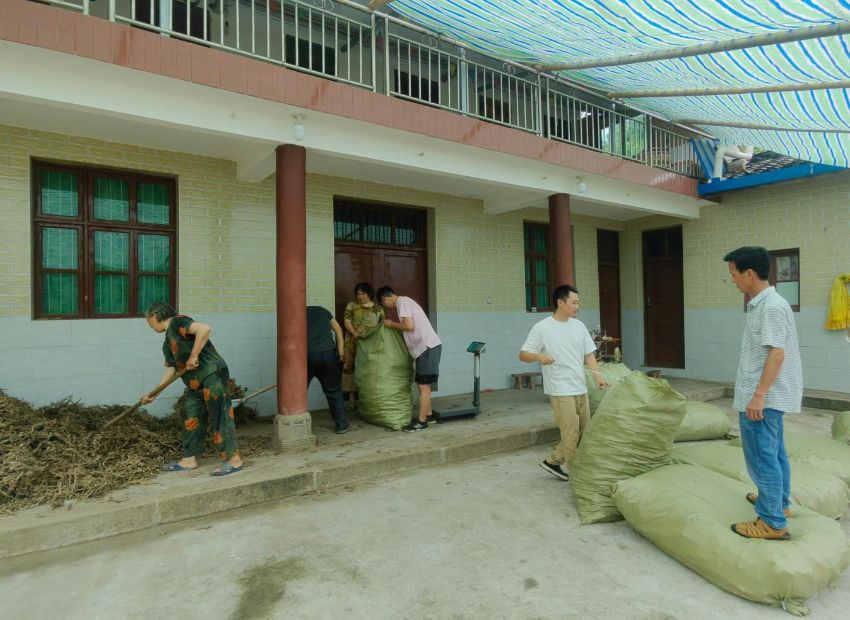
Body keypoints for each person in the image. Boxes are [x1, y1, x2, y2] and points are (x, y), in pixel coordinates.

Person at [725, 246, 802, 540]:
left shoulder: (769, 306)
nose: (732, 280)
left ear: (749, 273)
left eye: (733, 274)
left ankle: (771, 522)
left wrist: (758, 396)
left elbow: (777, 355)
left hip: (762, 399)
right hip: (767, 396)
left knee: (762, 458)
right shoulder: (766, 302)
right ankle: (778, 505)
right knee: (775, 453)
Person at [142, 301, 243, 476]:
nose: (149, 325)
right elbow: (172, 369)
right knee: (189, 412)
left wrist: (194, 355)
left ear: (155, 316)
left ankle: (234, 460)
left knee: (219, 415)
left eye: (148, 321)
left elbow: (204, 329)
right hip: (195, 383)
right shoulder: (167, 344)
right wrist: (154, 394)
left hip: (212, 375)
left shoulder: (178, 322)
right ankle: (189, 459)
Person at [519, 284, 607, 481]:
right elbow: (523, 355)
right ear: (561, 302)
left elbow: (589, 355)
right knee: (570, 433)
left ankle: (552, 461)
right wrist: (540, 357)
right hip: (560, 389)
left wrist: (598, 378)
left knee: (584, 430)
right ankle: (578, 477)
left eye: (578, 303)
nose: (577, 307)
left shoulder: (579, 326)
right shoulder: (542, 327)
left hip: (580, 387)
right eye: (574, 302)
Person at [377, 286, 441, 432]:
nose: (386, 307)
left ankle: (421, 422)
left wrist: (391, 324)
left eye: (383, 304)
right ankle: (429, 415)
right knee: (422, 384)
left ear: (385, 299)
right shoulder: (404, 303)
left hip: (428, 347)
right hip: (425, 349)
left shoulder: (403, 302)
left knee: (424, 386)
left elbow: (409, 325)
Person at [341, 283, 385, 412]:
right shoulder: (352, 305)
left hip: (370, 342)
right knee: (349, 366)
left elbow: (383, 326)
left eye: (363, 294)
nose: (360, 296)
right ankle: (351, 398)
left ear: (369, 294)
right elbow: (346, 321)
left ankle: (367, 398)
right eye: (358, 294)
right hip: (352, 341)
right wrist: (354, 334)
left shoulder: (378, 308)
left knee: (369, 368)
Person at [307, 305, 350, 434]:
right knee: (334, 390)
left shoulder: (296, 314)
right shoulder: (322, 310)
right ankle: (342, 425)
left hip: (308, 356)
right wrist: (341, 352)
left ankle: (300, 426)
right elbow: (338, 329)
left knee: (299, 391)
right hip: (328, 354)